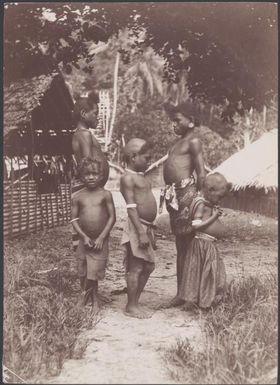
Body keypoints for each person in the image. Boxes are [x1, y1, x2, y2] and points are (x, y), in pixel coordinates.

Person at [161, 102, 206, 307]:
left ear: (191, 122)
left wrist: (199, 199)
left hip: (187, 194)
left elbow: (201, 172)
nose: (173, 125)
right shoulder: (177, 143)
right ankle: (181, 293)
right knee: (180, 245)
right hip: (175, 196)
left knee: (190, 244)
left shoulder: (193, 141)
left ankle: (191, 294)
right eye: (172, 121)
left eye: (177, 120)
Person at [178, 172, 229, 309]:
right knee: (202, 272)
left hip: (208, 244)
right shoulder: (200, 204)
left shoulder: (207, 203)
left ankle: (205, 299)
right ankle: (198, 301)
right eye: (219, 197)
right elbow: (196, 225)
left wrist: (214, 213)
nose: (219, 200)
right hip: (202, 244)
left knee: (207, 272)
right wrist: (214, 217)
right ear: (211, 190)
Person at [71, 157, 116, 311]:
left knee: (95, 270)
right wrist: (83, 236)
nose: (91, 177)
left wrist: (102, 237)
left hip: (99, 240)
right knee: (83, 268)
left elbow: (112, 217)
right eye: (87, 174)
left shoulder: (105, 194)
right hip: (84, 240)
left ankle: (94, 298)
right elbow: (74, 219)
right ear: (81, 176)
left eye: (95, 174)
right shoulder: (77, 196)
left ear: (101, 175)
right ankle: (84, 295)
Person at [120, 138, 157, 319]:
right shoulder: (127, 178)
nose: (149, 162)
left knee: (149, 266)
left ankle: (134, 301)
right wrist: (141, 232)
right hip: (137, 226)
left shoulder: (141, 177)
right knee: (136, 267)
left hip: (145, 227)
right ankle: (131, 305)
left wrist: (150, 232)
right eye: (146, 158)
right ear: (134, 157)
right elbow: (131, 208)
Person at [71, 91, 110, 251]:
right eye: (95, 113)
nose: (97, 117)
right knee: (89, 226)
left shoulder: (82, 134)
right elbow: (88, 164)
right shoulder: (84, 135)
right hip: (89, 189)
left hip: (90, 187)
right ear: (83, 114)